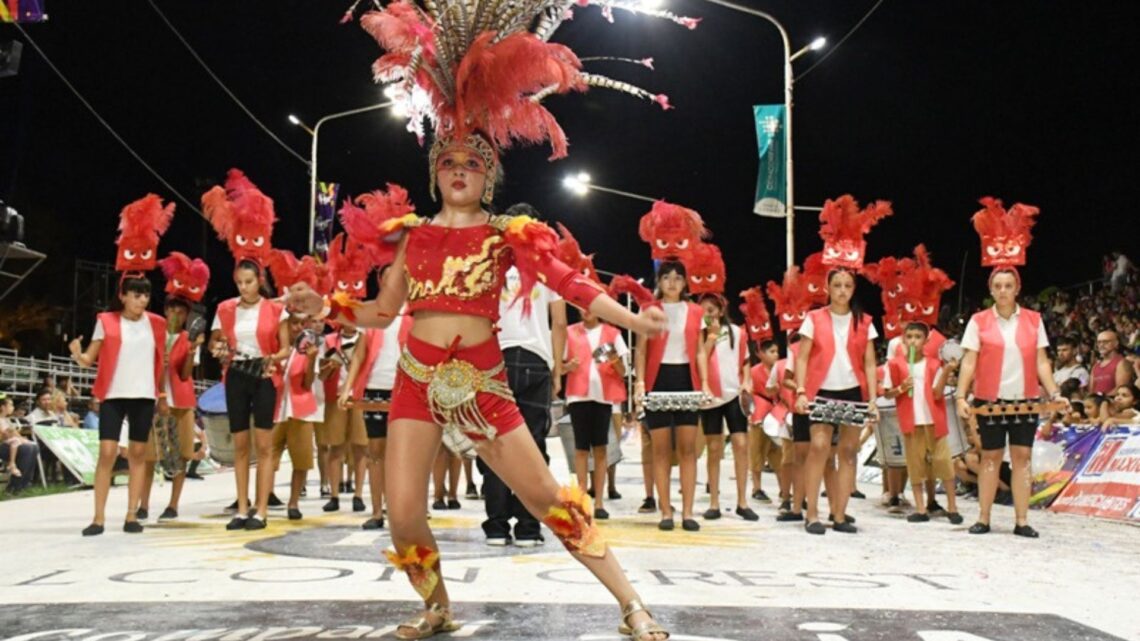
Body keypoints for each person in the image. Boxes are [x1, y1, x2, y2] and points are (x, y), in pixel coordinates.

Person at [287, 162, 669, 640]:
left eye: (472, 163)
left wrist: (633, 323)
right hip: (417, 381)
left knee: (548, 500)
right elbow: (382, 314)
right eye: (448, 162)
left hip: (484, 384)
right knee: (403, 514)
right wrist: (324, 308)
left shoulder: (506, 234)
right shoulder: (413, 237)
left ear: (489, 179)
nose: (458, 171)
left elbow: (569, 282)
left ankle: (631, 603)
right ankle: (437, 606)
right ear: (434, 176)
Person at [956, 196, 1065, 538]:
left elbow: (1042, 361)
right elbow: (969, 360)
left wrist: (1055, 391)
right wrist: (961, 395)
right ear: (991, 289)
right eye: (997, 286)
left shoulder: (1034, 320)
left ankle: (1021, 521)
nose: (1003, 291)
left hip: (1025, 399)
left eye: (1008, 285)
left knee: (1021, 458)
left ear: (1017, 288)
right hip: (989, 399)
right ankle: (984, 518)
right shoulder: (978, 321)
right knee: (989, 458)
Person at [479, 208, 567, 545]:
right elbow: (559, 322)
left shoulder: (490, 263)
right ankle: (529, 527)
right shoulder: (547, 265)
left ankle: (497, 527)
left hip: (494, 361)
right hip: (536, 361)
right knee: (533, 446)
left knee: (495, 444)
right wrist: (557, 369)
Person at [69, 275, 167, 535]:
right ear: (123, 296)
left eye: (145, 295)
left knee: (137, 454)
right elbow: (89, 359)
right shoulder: (107, 321)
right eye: (136, 295)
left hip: (145, 394)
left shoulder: (157, 323)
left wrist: (163, 394)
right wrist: (78, 354)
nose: (142, 300)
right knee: (108, 452)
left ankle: (131, 515)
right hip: (113, 394)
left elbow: (162, 362)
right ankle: (98, 518)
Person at [793, 268, 880, 535]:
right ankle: (811, 514)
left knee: (848, 453)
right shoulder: (814, 318)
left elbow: (869, 362)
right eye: (837, 285)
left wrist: (873, 399)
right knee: (819, 447)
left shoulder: (864, 322)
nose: (842, 290)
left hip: (852, 392)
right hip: (821, 390)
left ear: (854, 289)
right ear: (828, 288)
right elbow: (803, 357)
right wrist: (800, 390)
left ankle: (840, 514)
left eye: (848, 285)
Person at [635, 259, 710, 533]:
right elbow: (641, 350)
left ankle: (688, 512)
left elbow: (701, 350)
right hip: (658, 380)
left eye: (678, 277)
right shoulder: (649, 310)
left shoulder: (696, 311)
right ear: (659, 281)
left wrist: (704, 383)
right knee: (660, 449)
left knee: (688, 449)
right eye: (667, 277)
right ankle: (666, 511)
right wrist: (640, 382)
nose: (672, 282)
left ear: (685, 282)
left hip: (686, 380)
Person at [882, 322, 963, 524]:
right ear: (903, 339)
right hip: (911, 422)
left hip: (934, 421)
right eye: (909, 337)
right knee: (915, 465)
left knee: (943, 463)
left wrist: (945, 372)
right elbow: (886, 392)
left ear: (926, 341)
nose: (913, 341)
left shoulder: (934, 364)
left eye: (918, 337)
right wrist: (901, 388)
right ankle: (920, 508)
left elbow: (937, 393)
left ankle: (953, 507)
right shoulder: (894, 365)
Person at [564, 306, 628, 520]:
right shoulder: (569, 332)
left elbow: (624, 372)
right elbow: (559, 366)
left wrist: (614, 359)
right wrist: (567, 367)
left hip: (603, 397)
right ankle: (582, 500)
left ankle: (599, 501)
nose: (586, 310)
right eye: (581, 306)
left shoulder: (613, 334)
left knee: (601, 448)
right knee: (580, 449)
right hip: (577, 396)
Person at [697, 293, 756, 521]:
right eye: (703, 311)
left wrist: (746, 382)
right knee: (713, 448)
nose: (707, 315)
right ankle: (714, 502)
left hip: (734, 395)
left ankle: (742, 501)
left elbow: (745, 361)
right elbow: (699, 358)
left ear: (720, 311)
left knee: (741, 444)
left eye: (711, 310)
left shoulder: (737, 332)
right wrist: (710, 337)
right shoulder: (699, 335)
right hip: (710, 398)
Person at [1, 393, 40, 493]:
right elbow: (6, 436)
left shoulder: (7, 420)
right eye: (11, 405)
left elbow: (15, 434)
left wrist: (24, 440)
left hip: (11, 444)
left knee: (33, 447)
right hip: (3, 445)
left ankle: (25, 483)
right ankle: (14, 486)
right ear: (3, 407)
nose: (13, 408)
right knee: (26, 449)